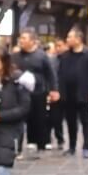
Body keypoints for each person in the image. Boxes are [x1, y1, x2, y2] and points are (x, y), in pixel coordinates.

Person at [57, 29, 88, 158]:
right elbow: (60, 74)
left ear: (78, 39)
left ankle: (86, 146)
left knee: (85, 121)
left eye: (70, 37)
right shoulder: (64, 56)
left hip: (83, 93)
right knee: (70, 121)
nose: (67, 39)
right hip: (68, 93)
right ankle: (72, 146)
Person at [16, 28, 57, 156]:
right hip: (20, 92)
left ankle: (41, 142)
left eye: (24, 38)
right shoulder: (16, 56)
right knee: (21, 118)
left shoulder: (41, 56)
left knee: (39, 117)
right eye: (20, 38)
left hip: (39, 91)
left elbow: (50, 74)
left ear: (33, 41)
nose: (21, 41)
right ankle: (23, 144)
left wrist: (53, 89)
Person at [46, 41, 66, 150]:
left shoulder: (68, 59)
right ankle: (50, 138)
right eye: (56, 46)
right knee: (52, 117)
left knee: (59, 118)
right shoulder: (52, 60)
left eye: (60, 46)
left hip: (65, 93)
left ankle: (60, 138)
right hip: (55, 92)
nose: (58, 48)